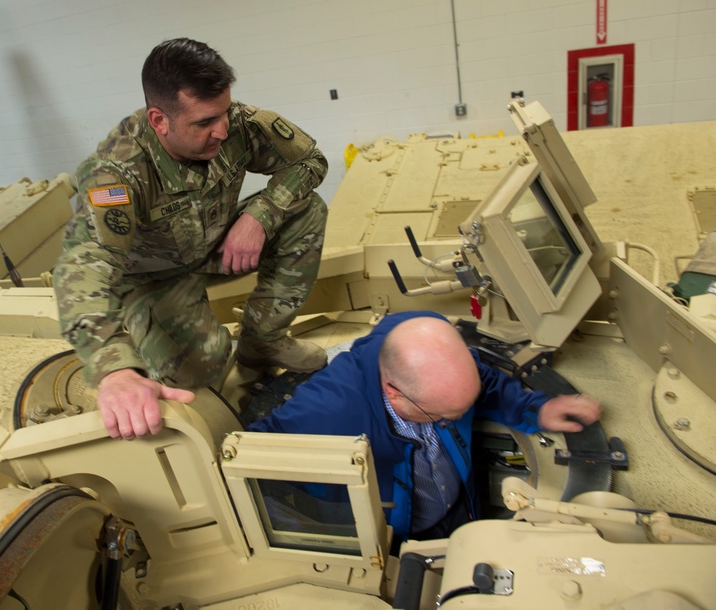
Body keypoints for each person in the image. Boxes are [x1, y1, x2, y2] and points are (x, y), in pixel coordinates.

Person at [53, 38, 329, 440]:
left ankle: (263, 340)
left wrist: (259, 216)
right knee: (204, 373)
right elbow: (84, 265)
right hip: (153, 277)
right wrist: (113, 369)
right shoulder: (116, 174)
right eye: (203, 123)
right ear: (159, 120)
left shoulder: (237, 124)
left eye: (223, 114)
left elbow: (310, 160)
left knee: (306, 210)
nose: (221, 131)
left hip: (216, 246)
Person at [248, 310, 602, 545]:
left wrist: (535, 410)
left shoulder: (427, 336)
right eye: (445, 417)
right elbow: (249, 466)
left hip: (461, 510)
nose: (456, 421)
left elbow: (485, 383)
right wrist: (308, 540)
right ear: (394, 393)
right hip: (395, 539)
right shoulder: (324, 412)